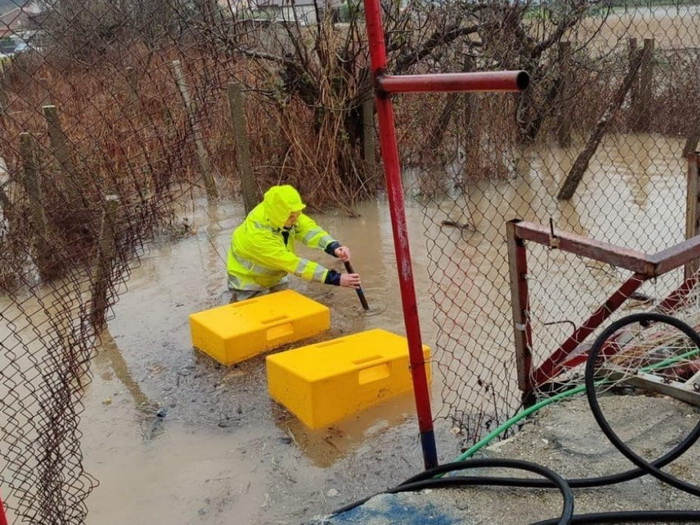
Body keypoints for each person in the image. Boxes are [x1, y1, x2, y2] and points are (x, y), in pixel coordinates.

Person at [226, 185, 361, 302]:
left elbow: (310, 230)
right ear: (279, 215)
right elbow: (294, 264)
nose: (296, 219)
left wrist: (334, 247)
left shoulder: (285, 212)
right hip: (247, 284)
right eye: (292, 216)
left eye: (297, 214)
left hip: (275, 275)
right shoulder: (257, 235)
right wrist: (335, 278)